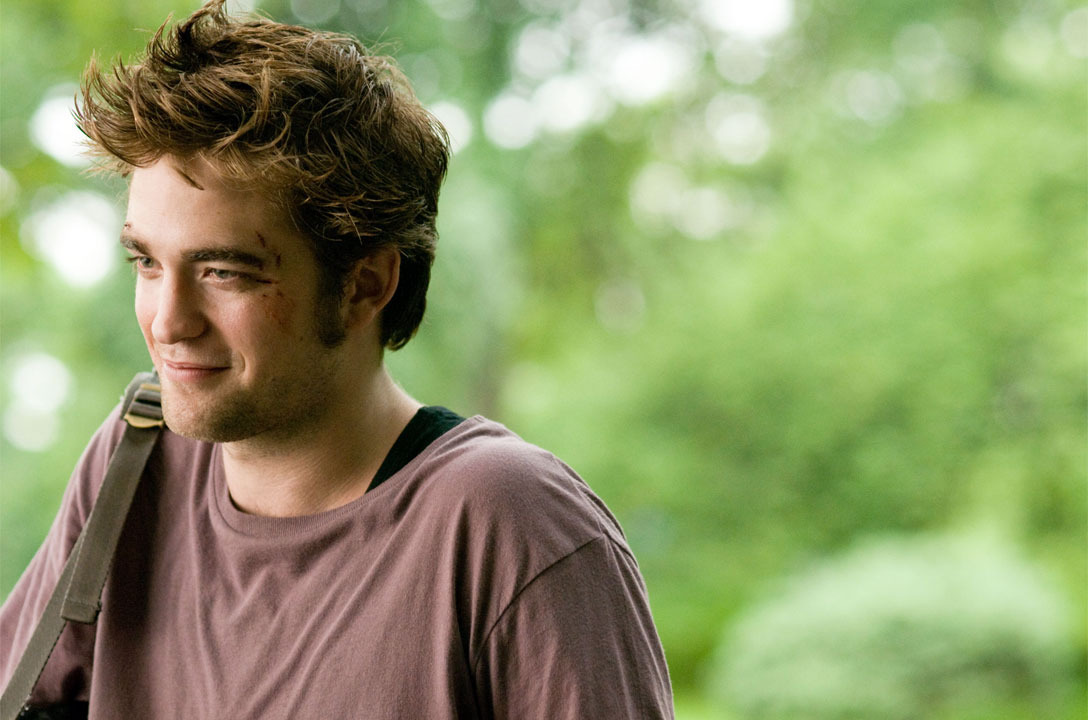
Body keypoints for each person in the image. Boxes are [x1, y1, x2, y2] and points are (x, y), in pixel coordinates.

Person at [0, 1, 673, 717]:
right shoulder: (136, 460)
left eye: (224, 272)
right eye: (147, 262)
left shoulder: (510, 526)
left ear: (365, 285)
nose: (168, 321)